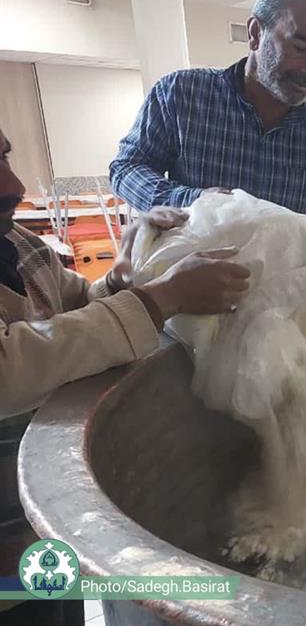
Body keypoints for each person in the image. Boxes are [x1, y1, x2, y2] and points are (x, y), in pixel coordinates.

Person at [0, 125, 250, 624]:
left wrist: (125, 270)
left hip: (33, 524)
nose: (14, 186)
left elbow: (74, 310)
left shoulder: (20, 246)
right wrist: (160, 299)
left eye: (4, 158)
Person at [109, 0, 306, 260]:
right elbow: (126, 168)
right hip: (192, 281)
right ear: (255, 33)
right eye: (300, 49)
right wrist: (195, 202)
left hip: (288, 285)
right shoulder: (182, 94)